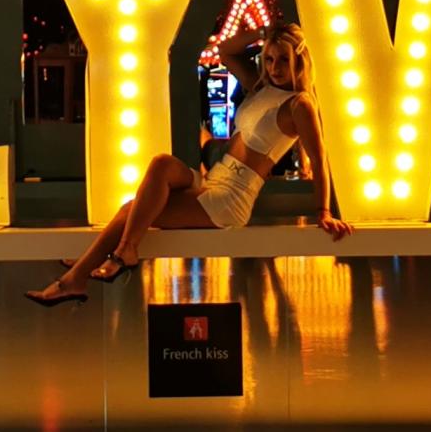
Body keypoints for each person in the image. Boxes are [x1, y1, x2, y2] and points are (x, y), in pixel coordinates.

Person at [26, 21, 351, 306]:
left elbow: (319, 159)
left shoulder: (300, 105)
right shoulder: (260, 88)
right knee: (161, 164)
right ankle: (109, 258)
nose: (275, 67)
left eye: (283, 59)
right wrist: (263, 33)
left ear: (299, 61)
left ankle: (87, 271)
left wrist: (323, 211)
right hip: (214, 180)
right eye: (269, 58)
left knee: (132, 209)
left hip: (231, 198)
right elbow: (226, 50)